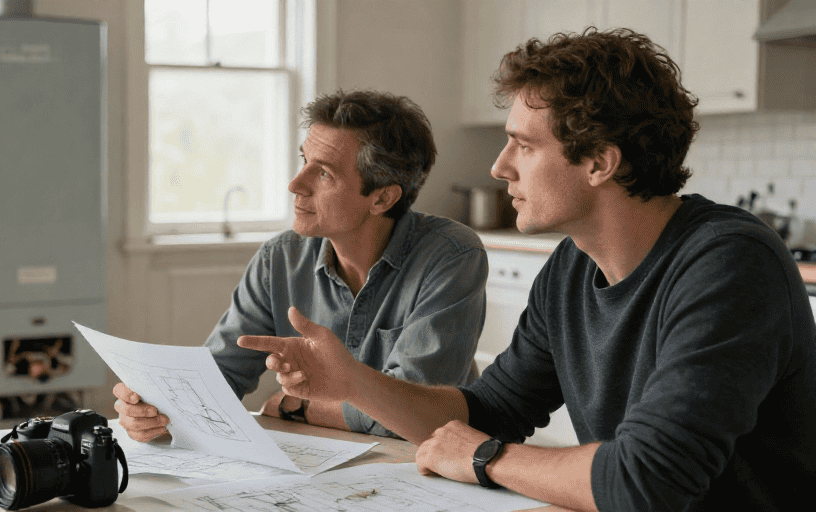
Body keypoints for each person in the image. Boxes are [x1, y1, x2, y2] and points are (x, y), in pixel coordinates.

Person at [239, 27, 816, 511]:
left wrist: (485, 458)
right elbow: (490, 410)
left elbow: (649, 479)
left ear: (599, 162)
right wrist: (356, 384)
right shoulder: (571, 266)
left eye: (523, 145)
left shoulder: (728, 263)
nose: (499, 166)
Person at [114, 90, 489, 441]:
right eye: (304, 161)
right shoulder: (280, 258)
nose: (295, 184)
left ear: (382, 198)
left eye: (324, 173)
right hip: (324, 465)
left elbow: (420, 419)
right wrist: (158, 411)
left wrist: (297, 406)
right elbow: (219, 377)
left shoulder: (451, 256)